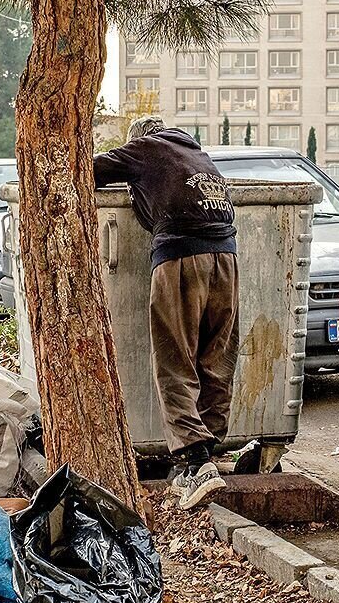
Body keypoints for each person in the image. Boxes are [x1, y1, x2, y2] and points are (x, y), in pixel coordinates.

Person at [93, 116, 239, 510]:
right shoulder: (198, 155)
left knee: (174, 359)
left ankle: (194, 461)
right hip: (226, 258)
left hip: (180, 256)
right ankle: (211, 448)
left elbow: (87, 170)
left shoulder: (146, 149)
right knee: (216, 357)